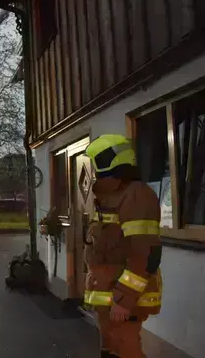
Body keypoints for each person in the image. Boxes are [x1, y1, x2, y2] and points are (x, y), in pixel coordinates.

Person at [83, 134, 163, 358]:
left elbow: (146, 253)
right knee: (111, 349)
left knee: (126, 350)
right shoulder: (110, 196)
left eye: (98, 159)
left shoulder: (136, 195)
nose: (95, 166)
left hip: (122, 300)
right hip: (108, 297)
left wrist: (125, 299)